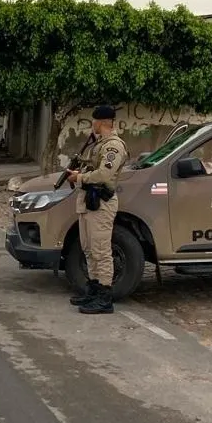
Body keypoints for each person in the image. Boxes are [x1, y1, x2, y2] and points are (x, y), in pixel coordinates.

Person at [66, 105, 129, 315]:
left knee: (101, 251)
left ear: (101, 122)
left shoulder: (113, 146)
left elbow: (103, 174)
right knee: (89, 248)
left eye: (94, 122)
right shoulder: (98, 145)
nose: (92, 125)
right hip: (89, 201)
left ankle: (104, 297)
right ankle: (93, 289)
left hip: (102, 203)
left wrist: (80, 178)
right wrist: (79, 173)